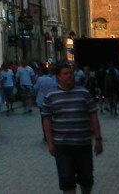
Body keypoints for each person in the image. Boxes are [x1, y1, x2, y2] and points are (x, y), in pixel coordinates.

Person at [42, 62, 102, 194]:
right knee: (67, 182)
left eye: (71, 73)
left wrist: (98, 139)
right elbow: (46, 120)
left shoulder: (84, 93)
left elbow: (93, 116)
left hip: (83, 144)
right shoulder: (51, 96)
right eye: (65, 73)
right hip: (62, 146)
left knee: (86, 180)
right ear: (58, 76)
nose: (69, 76)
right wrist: (50, 143)